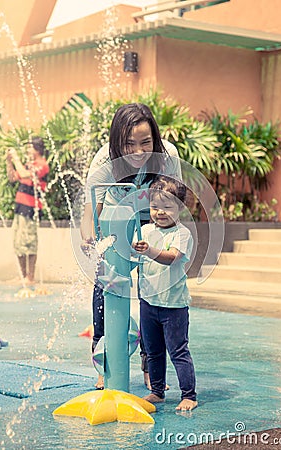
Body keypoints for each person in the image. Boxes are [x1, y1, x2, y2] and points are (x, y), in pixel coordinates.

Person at [80, 103, 181, 389]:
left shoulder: (168, 156)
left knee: (152, 290)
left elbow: (175, 203)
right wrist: (91, 239)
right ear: (116, 143)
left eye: (146, 142)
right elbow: (90, 212)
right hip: (116, 218)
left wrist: (165, 244)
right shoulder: (104, 161)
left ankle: (151, 365)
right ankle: (105, 364)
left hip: (153, 216)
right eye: (129, 144)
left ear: (155, 139)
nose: (139, 152)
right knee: (107, 288)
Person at [132, 175, 197, 411]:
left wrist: (148, 251)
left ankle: (189, 394)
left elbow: (171, 258)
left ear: (180, 208)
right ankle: (157, 391)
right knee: (153, 350)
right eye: (155, 206)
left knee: (178, 350)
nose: (160, 212)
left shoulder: (182, 234)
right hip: (148, 302)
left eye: (167, 207)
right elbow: (133, 258)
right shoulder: (145, 230)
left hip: (174, 305)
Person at [6, 137, 49, 286]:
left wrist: (16, 159)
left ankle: (30, 277)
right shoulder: (27, 165)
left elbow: (24, 174)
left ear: (37, 149)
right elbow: (12, 178)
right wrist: (9, 162)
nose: (27, 151)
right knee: (18, 242)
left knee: (29, 242)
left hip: (31, 209)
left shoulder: (42, 165)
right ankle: (23, 275)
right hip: (20, 208)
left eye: (30, 147)